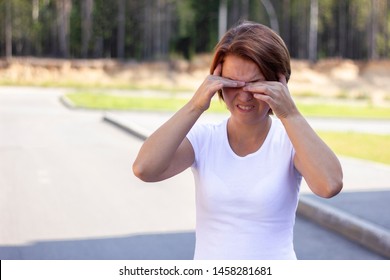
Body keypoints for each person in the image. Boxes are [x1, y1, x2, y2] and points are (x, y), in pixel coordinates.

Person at [132, 21, 343, 260]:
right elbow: (144, 169)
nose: (243, 95)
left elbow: (330, 185)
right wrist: (195, 105)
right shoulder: (204, 138)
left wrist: (290, 113)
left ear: (279, 83)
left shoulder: (290, 142)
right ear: (217, 80)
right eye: (232, 83)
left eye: (256, 83)